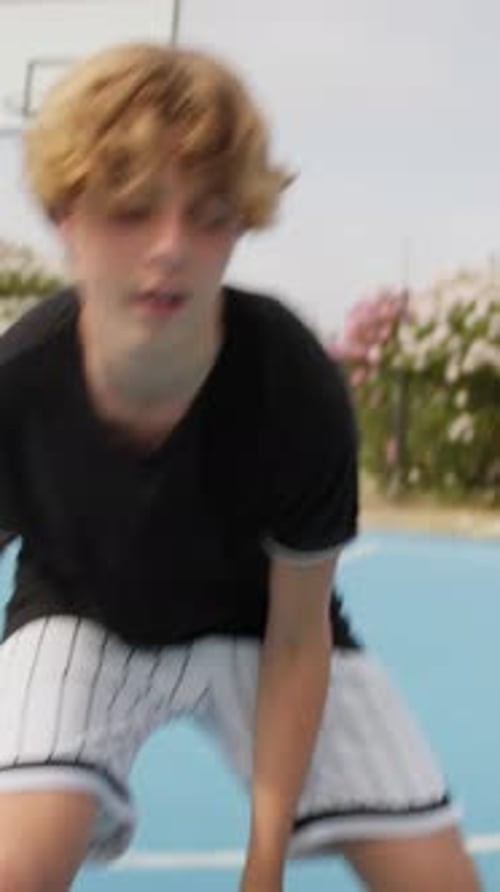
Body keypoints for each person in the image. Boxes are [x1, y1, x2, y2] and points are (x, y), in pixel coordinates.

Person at [0, 42, 481, 892]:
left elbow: (300, 635)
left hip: (264, 630)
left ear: (243, 222)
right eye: (132, 209)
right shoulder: (20, 386)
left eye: (209, 212)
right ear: (67, 218)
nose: (171, 246)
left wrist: (265, 865)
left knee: (440, 884)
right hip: (82, 614)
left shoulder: (292, 386)